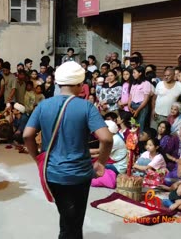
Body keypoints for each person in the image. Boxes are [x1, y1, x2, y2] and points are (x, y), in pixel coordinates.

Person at [23, 61, 113, 239]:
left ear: (58, 83)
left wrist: (37, 158)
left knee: (68, 219)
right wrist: (101, 162)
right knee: (72, 222)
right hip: (79, 174)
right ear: (80, 84)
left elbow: (27, 135)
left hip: (53, 173)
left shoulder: (44, 105)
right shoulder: (86, 106)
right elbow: (107, 138)